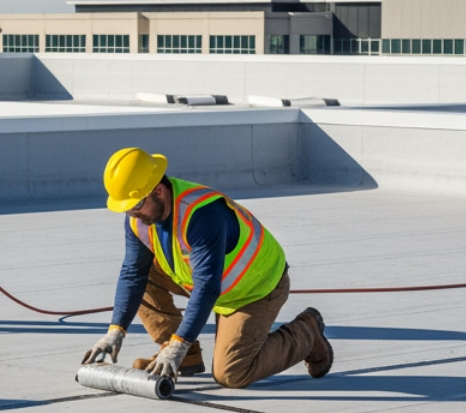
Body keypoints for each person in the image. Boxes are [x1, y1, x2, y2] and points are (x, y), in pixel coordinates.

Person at [81, 148, 331, 386]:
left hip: (256, 289)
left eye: (135, 205)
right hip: (213, 284)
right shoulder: (139, 219)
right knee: (144, 274)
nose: (132, 214)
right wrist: (116, 330)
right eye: (126, 208)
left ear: (158, 191)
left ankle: (306, 333)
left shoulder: (203, 215)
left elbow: (207, 287)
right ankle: (186, 355)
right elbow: (133, 273)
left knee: (232, 374)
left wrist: (178, 343)